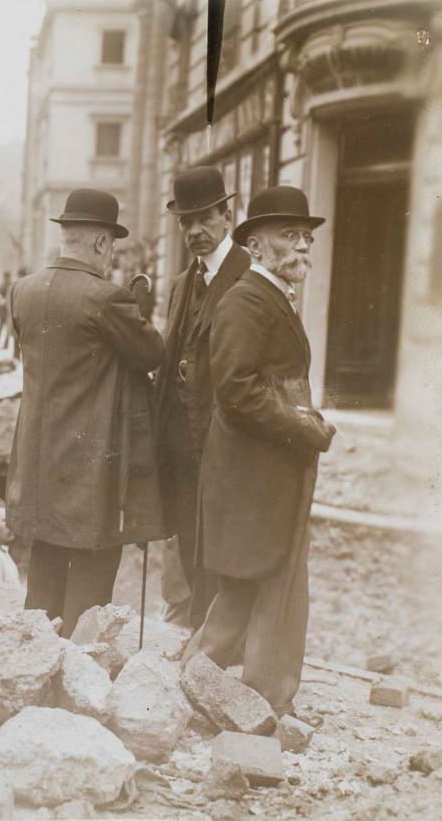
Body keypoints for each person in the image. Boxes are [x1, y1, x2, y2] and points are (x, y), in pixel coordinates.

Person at [184, 186, 336, 712]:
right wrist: (302, 427)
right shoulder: (247, 300)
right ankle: (262, 698)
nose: (302, 249)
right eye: (289, 237)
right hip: (254, 468)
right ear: (255, 245)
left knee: (259, 579)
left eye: (307, 238)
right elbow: (237, 390)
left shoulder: (270, 297)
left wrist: (304, 421)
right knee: (266, 578)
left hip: (268, 466)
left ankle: (209, 682)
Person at [7, 188, 167, 636]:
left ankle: (29, 660)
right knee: (92, 579)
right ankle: (79, 670)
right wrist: (136, 306)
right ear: (100, 243)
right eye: (111, 246)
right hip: (90, 466)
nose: (111, 255)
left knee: (43, 578)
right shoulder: (106, 298)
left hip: (38, 460)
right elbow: (151, 353)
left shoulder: (23, 290)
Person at [154, 166, 252, 629]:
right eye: (185, 222)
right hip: (181, 441)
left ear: (227, 216)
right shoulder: (180, 284)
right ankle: (188, 631)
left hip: (226, 441)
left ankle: (212, 643)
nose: (194, 231)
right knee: (185, 539)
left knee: (221, 547)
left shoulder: (250, 277)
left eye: (204, 219)